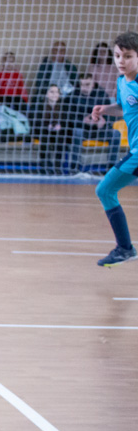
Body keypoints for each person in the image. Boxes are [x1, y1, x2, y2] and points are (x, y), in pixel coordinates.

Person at [90, 31, 138, 267]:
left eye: (128, 56)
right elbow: (123, 107)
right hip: (134, 150)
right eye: (118, 55)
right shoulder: (121, 81)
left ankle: (125, 248)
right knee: (105, 191)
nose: (121, 61)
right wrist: (105, 109)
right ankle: (125, 248)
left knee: (105, 190)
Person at [65, 73, 120, 171]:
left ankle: (111, 168)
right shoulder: (72, 96)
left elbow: (111, 114)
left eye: (87, 84)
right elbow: (68, 116)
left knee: (116, 134)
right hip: (82, 129)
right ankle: (75, 167)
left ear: (93, 84)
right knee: (77, 132)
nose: (84, 88)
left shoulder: (102, 95)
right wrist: (82, 121)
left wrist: (104, 121)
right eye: (82, 85)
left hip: (99, 130)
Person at [29, 84, 70, 171]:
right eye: (52, 92)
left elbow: (67, 121)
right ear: (47, 94)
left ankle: (58, 165)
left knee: (60, 138)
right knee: (44, 136)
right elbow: (35, 121)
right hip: (43, 131)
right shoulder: (40, 105)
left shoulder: (64, 105)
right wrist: (47, 126)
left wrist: (60, 126)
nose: (54, 94)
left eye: (57, 92)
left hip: (59, 131)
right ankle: (45, 164)